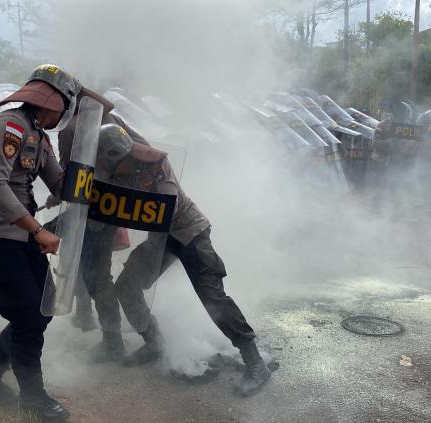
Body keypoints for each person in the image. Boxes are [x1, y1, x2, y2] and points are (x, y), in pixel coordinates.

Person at [57, 119, 272, 397]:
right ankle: (154, 342)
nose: (106, 170)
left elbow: (165, 209)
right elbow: (102, 209)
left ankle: (254, 362)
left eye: (107, 164)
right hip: (160, 240)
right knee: (126, 286)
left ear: (121, 156)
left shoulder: (155, 166)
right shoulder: (113, 171)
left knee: (212, 296)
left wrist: (117, 206)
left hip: (188, 231)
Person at [0, 64, 110, 422]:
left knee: (41, 309)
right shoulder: (8, 127)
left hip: (18, 233)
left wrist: (89, 180)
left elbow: (58, 184)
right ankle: (34, 399)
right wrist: (39, 231)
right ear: (54, 102)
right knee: (29, 313)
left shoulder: (38, 136)